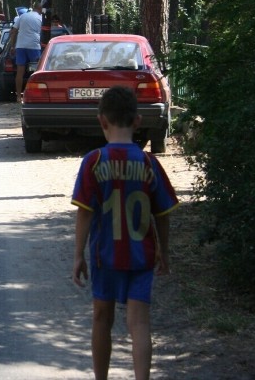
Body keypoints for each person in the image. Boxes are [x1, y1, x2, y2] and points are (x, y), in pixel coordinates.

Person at [71, 86, 179, 380]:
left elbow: (84, 211)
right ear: (138, 121)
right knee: (139, 324)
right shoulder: (148, 163)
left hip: (105, 255)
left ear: (102, 121)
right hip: (141, 256)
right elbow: (163, 213)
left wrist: (78, 254)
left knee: (101, 318)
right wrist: (164, 251)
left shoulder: (93, 162)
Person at [7, 2, 42, 101]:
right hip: (34, 46)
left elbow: (13, 32)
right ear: (40, 9)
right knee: (36, 72)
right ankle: (35, 95)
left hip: (21, 46)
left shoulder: (22, 17)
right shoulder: (40, 19)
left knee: (20, 72)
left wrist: (13, 46)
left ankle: (19, 96)